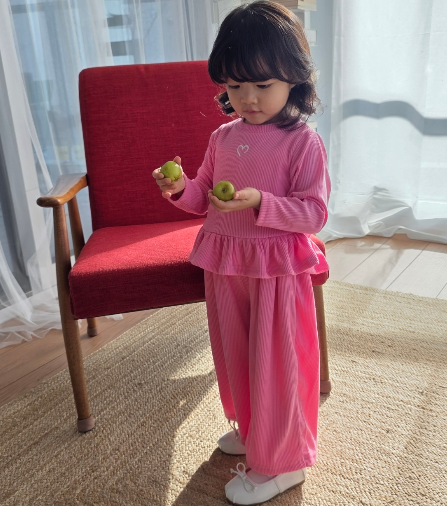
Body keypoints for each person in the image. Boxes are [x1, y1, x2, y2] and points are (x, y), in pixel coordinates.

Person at [152, 2, 330, 504]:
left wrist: (260, 203)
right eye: (235, 85)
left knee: (277, 364)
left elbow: (314, 213)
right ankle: (254, 430)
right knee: (236, 354)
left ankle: (282, 462)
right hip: (226, 265)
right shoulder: (222, 137)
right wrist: (178, 188)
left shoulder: (302, 143)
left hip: (275, 271)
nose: (247, 98)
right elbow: (202, 197)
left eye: (263, 85)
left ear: (294, 79)